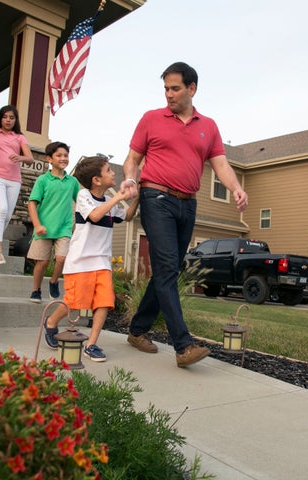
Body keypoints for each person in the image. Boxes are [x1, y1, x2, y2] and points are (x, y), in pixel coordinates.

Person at [120, 61, 248, 368]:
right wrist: (128, 178)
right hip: (156, 196)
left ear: (192, 88)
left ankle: (137, 330)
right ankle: (183, 345)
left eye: (175, 88)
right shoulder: (151, 119)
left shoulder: (209, 126)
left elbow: (220, 164)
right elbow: (133, 159)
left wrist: (235, 189)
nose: (169, 94)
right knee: (166, 268)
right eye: (165, 88)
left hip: (187, 203)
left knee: (169, 270)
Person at [41, 155, 139, 361]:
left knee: (104, 302)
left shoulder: (111, 204)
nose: (114, 173)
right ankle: (51, 322)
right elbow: (94, 216)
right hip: (80, 262)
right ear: (96, 179)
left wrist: (138, 196)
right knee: (74, 303)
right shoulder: (85, 197)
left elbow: (127, 216)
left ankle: (91, 344)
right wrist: (118, 198)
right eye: (109, 171)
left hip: (102, 262)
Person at [26, 141, 79, 303]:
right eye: (59, 155)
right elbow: (32, 203)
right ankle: (36, 290)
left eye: (66, 155)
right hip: (44, 227)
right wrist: (37, 225)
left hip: (64, 227)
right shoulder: (43, 180)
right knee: (42, 262)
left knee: (62, 259)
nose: (63, 158)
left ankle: (54, 281)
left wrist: (78, 225)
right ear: (49, 159)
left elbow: (80, 203)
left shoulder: (72, 182)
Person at [0, 106, 34, 265]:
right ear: (0, 119)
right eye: (5, 117)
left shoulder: (19, 138)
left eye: (12, 117)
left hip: (14, 180)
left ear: (15, 120)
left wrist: (20, 157)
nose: (8, 120)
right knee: (1, 209)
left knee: (8, 215)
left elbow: (30, 158)